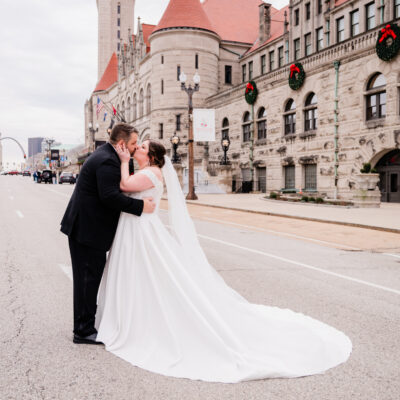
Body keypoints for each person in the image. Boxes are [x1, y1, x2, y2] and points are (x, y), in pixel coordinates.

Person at [95, 140, 352, 383]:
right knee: (143, 274)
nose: (136, 148)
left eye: (141, 146)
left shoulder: (151, 172)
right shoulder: (149, 169)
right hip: (139, 228)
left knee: (154, 274)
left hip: (144, 231)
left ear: (151, 156)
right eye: (137, 145)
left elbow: (125, 186)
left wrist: (122, 159)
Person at [60, 123, 156, 345]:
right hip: (87, 229)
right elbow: (109, 196)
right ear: (122, 143)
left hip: (87, 227)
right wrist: (140, 206)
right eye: (133, 143)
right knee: (86, 280)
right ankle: (83, 331)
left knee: (89, 278)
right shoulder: (107, 161)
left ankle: (86, 324)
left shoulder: (110, 157)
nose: (135, 148)